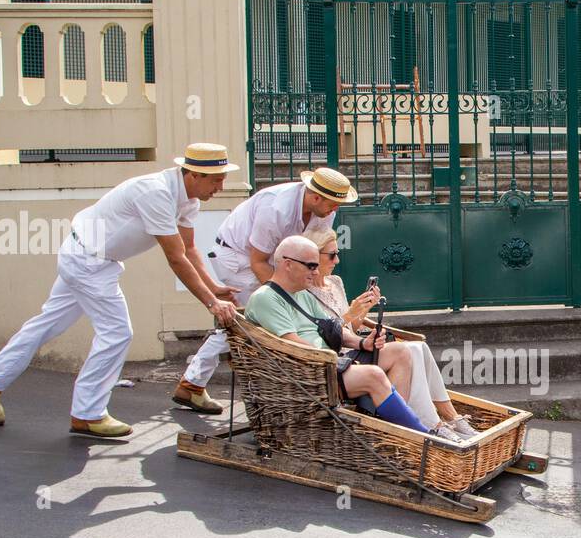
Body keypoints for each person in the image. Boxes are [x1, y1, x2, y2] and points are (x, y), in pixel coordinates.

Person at [0, 144, 241, 438]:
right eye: (216, 179)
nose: (221, 186)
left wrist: (214, 287)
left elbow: (189, 248)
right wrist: (211, 303)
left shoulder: (189, 200)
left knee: (47, 325)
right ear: (194, 175)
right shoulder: (156, 193)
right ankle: (87, 413)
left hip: (87, 256)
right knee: (117, 333)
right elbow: (175, 257)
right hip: (89, 262)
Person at [245, 236, 465, 443]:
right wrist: (342, 361)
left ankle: (392, 431)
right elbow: (293, 346)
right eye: (310, 265)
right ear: (287, 264)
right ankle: (423, 436)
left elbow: (333, 328)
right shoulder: (265, 298)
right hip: (308, 375)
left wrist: (362, 343)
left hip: (329, 363)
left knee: (401, 352)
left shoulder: (301, 293)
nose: (315, 271)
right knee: (374, 375)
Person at [173, 168, 356, 415]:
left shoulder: (323, 210)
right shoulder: (276, 209)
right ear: (315, 197)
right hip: (238, 257)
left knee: (259, 318)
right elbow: (257, 260)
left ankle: (193, 382)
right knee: (246, 321)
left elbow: (311, 251)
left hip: (276, 258)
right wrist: (288, 297)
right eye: (333, 205)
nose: (335, 210)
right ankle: (192, 383)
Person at [304, 226, 480, 440]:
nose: (337, 261)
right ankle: (433, 423)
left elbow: (352, 326)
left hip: (357, 346)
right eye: (331, 255)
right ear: (313, 257)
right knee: (408, 351)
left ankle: (449, 417)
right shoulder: (304, 292)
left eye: (337, 254)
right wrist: (351, 314)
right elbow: (328, 334)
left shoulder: (335, 282)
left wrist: (364, 309)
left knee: (418, 347)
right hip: (341, 358)